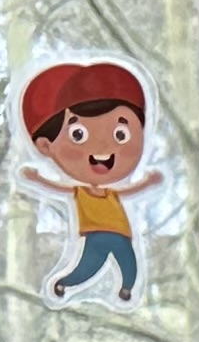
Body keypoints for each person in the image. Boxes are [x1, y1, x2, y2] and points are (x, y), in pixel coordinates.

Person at [20, 62, 159, 305]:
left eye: (121, 134)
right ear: (45, 146)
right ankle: (65, 283)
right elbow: (58, 188)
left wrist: (148, 183)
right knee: (89, 265)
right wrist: (37, 179)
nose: (104, 146)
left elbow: (130, 190)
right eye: (78, 134)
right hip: (96, 234)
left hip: (121, 233)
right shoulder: (80, 190)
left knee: (128, 262)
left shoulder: (111, 193)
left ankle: (126, 288)